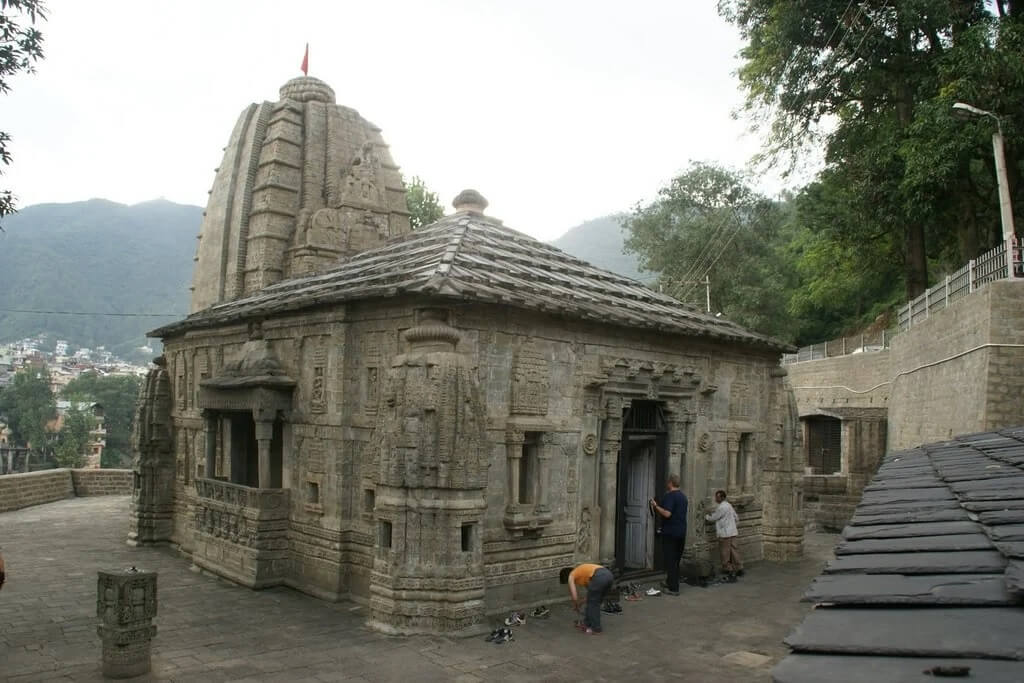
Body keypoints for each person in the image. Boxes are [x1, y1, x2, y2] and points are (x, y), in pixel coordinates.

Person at [650, 474, 688, 595]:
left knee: (670, 560)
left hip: (671, 532)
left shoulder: (670, 496)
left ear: (670, 483)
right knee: (676, 560)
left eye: (668, 482)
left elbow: (667, 514)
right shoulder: (683, 496)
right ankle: (670, 581)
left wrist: (656, 507)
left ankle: (673, 588)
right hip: (681, 532)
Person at [559, 563, 614, 634]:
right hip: (609, 576)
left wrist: (576, 605)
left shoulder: (572, 575)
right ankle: (586, 623)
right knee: (594, 603)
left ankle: (596, 629)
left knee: (593, 605)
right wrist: (580, 603)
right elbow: (589, 596)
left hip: (599, 576)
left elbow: (574, 595)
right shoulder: (584, 574)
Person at [706, 489, 743, 581]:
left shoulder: (722, 507)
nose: (716, 498)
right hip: (733, 532)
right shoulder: (729, 505)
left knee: (725, 552)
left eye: (717, 497)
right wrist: (734, 526)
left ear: (722, 497)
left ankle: (728, 569)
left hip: (725, 534)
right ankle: (739, 568)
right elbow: (736, 517)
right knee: (734, 551)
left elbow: (714, 517)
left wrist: (706, 516)